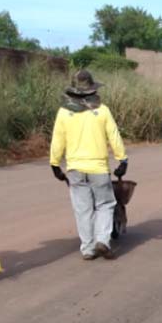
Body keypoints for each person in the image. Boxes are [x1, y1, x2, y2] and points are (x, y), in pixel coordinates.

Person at [49, 70, 128, 261]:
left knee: (82, 208)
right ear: (92, 90)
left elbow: (57, 140)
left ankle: (88, 248)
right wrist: (122, 159)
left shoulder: (63, 113)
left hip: (75, 168)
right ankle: (103, 240)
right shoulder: (102, 110)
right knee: (105, 204)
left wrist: (55, 164)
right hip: (99, 168)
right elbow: (114, 136)